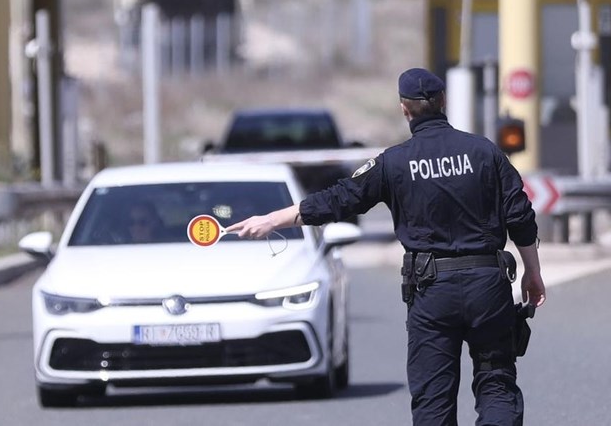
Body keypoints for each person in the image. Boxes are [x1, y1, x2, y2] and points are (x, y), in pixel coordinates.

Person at [226, 67, 546, 426]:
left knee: (434, 399)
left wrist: (273, 220)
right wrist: (532, 273)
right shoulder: (483, 151)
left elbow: (340, 199)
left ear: (404, 109)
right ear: (443, 102)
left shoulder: (393, 162)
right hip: (489, 287)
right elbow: (520, 214)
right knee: (496, 383)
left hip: (433, 291)